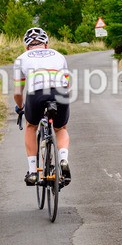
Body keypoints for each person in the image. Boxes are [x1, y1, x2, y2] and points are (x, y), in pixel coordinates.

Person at [13, 27, 71, 187]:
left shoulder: (21, 58)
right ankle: (63, 159)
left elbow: (18, 93)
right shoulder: (59, 55)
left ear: (27, 47)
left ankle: (32, 171)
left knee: (31, 126)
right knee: (61, 128)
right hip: (59, 92)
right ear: (46, 45)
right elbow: (67, 84)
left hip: (36, 94)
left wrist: (20, 107)